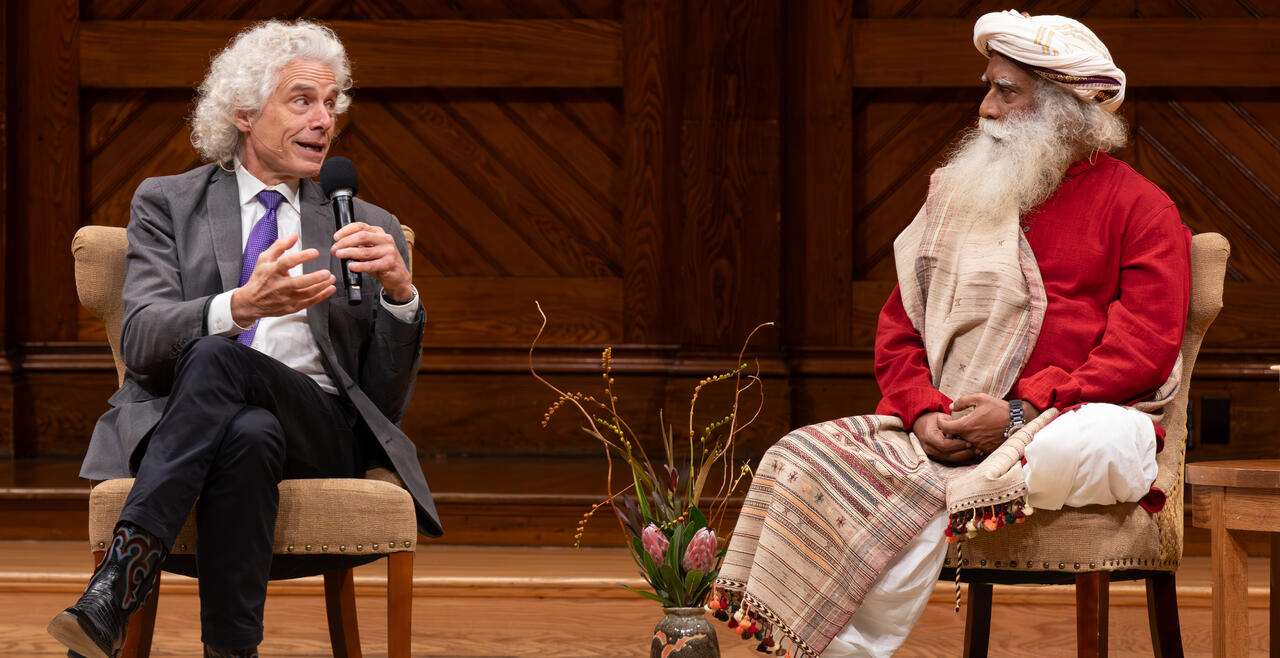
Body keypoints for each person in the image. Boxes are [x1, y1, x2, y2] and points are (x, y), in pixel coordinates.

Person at [712, 11, 1190, 658]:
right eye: (987, 87)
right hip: (955, 426)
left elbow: (1141, 351)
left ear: (1063, 111)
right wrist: (924, 410)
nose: (985, 108)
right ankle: (839, 646)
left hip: (1080, 422)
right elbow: (900, 330)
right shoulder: (956, 198)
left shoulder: (1141, 208)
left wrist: (1021, 411)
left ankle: (967, 480)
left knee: (1083, 444)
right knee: (801, 453)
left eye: (1006, 91)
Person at [47, 20, 441, 658]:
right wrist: (239, 306)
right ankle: (232, 652)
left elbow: (383, 404)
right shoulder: (168, 204)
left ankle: (117, 583)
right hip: (199, 421)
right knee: (246, 430)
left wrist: (401, 296)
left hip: (321, 428)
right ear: (243, 113)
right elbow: (144, 341)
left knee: (214, 356)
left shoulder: (366, 225)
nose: (324, 120)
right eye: (302, 100)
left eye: (331, 102)